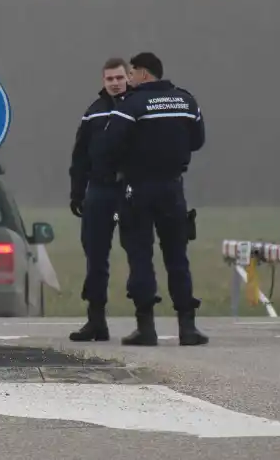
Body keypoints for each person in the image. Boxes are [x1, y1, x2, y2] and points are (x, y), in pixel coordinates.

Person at [98, 52, 207, 346]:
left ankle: (146, 328)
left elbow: (109, 145)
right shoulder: (186, 101)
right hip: (173, 189)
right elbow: (197, 140)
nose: (128, 78)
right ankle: (188, 327)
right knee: (177, 256)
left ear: (144, 73)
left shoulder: (132, 105)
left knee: (140, 256)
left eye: (131, 73)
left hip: (138, 189)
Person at [67, 57, 131, 342]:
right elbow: (79, 156)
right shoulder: (93, 113)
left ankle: (146, 320)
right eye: (110, 79)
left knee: (139, 253)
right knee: (95, 256)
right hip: (99, 190)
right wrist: (77, 192)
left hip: (131, 189)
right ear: (103, 81)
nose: (115, 83)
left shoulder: (140, 107)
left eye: (119, 78)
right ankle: (96, 320)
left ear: (128, 77)